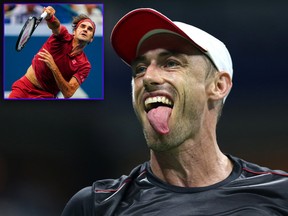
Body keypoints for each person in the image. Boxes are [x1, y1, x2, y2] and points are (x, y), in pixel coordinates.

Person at [61, 8, 288, 215]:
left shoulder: (280, 195)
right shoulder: (95, 206)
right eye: (139, 68)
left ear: (218, 86)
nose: (148, 78)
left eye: (170, 63)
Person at [8, 5, 96, 99]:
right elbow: (56, 25)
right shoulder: (63, 36)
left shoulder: (84, 65)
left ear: (91, 39)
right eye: (82, 26)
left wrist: (54, 67)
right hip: (24, 87)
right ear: (74, 31)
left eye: (89, 29)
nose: (85, 29)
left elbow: (68, 93)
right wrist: (50, 17)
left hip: (46, 96)